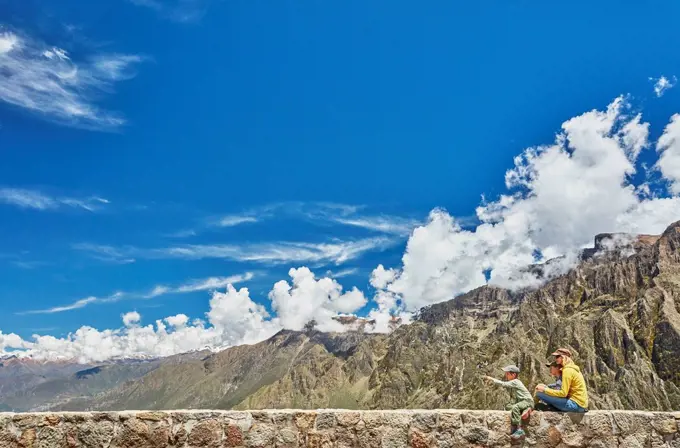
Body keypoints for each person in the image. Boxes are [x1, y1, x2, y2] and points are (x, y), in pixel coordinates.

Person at [483, 365, 534, 440]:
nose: (506, 375)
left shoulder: (515, 381)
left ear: (513, 375)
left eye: (507, 374)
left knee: (515, 407)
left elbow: (503, 384)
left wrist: (491, 379)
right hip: (524, 402)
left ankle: (519, 429)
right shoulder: (515, 383)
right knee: (508, 406)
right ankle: (526, 409)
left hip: (527, 401)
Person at [535, 348, 588, 413]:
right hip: (581, 405)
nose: (556, 359)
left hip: (575, 405)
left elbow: (563, 393)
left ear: (563, 357)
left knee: (539, 394)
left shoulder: (567, 370)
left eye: (557, 356)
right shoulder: (572, 369)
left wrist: (544, 390)